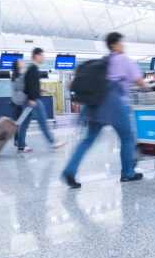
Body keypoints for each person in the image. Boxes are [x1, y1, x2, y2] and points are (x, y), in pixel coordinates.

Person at [62, 32, 148, 187]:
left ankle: (70, 170)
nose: (124, 46)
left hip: (96, 103)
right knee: (127, 138)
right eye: (122, 43)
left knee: (88, 139)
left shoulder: (104, 62)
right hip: (115, 103)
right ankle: (128, 173)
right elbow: (141, 82)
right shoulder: (123, 59)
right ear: (114, 45)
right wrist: (145, 85)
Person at [17, 48, 65, 153]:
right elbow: (29, 86)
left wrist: (39, 90)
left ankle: (20, 145)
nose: (43, 58)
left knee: (24, 124)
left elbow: (30, 85)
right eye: (42, 55)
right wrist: (33, 98)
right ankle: (53, 142)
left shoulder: (31, 69)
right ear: (36, 55)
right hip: (34, 101)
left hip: (29, 100)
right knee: (43, 122)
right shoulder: (33, 69)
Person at [10, 58, 27, 149]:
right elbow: (18, 88)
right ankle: (19, 141)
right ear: (17, 65)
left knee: (19, 123)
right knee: (20, 123)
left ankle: (19, 141)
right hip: (18, 103)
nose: (22, 62)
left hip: (19, 102)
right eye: (20, 62)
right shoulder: (17, 76)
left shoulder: (18, 75)